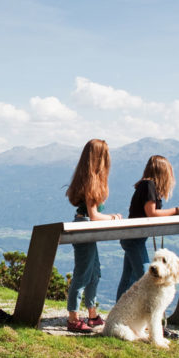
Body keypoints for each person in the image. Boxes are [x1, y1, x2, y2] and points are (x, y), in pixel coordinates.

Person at [117, 155, 179, 302]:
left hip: (132, 237)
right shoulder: (149, 186)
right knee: (148, 277)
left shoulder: (145, 185)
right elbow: (152, 213)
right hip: (134, 239)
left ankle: (118, 314)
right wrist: (176, 210)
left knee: (128, 279)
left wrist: (178, 211)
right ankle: (146, 315)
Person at [65, 139, 122, 333]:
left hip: (86, 228)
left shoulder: (89, 179)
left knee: (94, 273)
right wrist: (113, 217)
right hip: (84, 228)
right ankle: (73, 318)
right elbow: (94, 215)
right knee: (82, 274)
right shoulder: (91, 181)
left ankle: (92, 314)